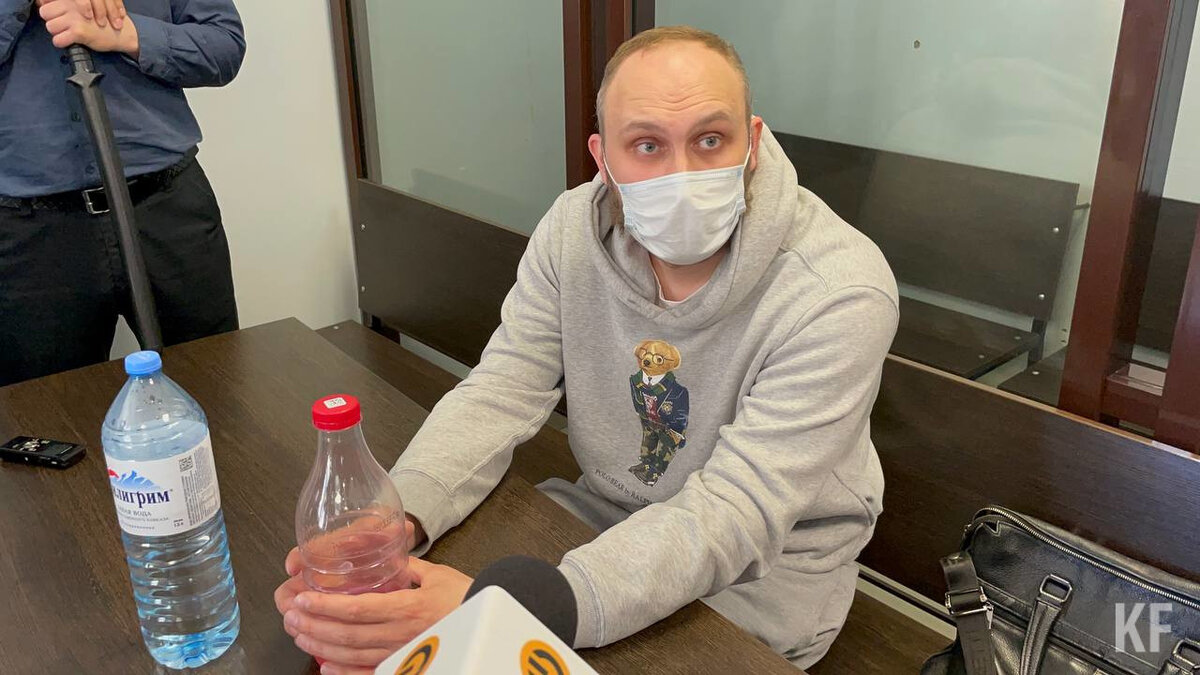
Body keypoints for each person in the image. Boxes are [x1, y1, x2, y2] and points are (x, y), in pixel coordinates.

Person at [275, 25, 898, 672]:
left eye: (711, 140)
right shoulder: (572, 231)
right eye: (646, 145)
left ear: (754, 142)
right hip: (602, 511)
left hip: (766, 570)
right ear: (603, 158)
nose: (681, 175)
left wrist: (511, 607)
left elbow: (739, 509)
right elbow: (503, 388)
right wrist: (397, 519)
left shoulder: (839, 289)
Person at [0, 0, 244, 387]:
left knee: (211, 387)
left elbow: (224, 46)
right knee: (50, 407)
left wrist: (127, 34)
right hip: (29, 233)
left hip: (167, 208)